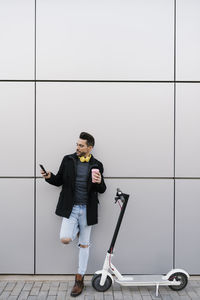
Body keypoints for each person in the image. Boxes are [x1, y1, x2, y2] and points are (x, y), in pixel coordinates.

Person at [41, 132, 106, 297]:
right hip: (71, 209)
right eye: (77, 144)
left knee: (84, 245)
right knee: (65, 238)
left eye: (81, 145)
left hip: (87, 209)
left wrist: (99, 182)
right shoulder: (68, 160)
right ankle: (74, 230)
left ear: (89, 148)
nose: (77, 147)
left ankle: (79, 279)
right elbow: (59, 181)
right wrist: (49, 177)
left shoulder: (97, 164)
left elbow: (102, 189)